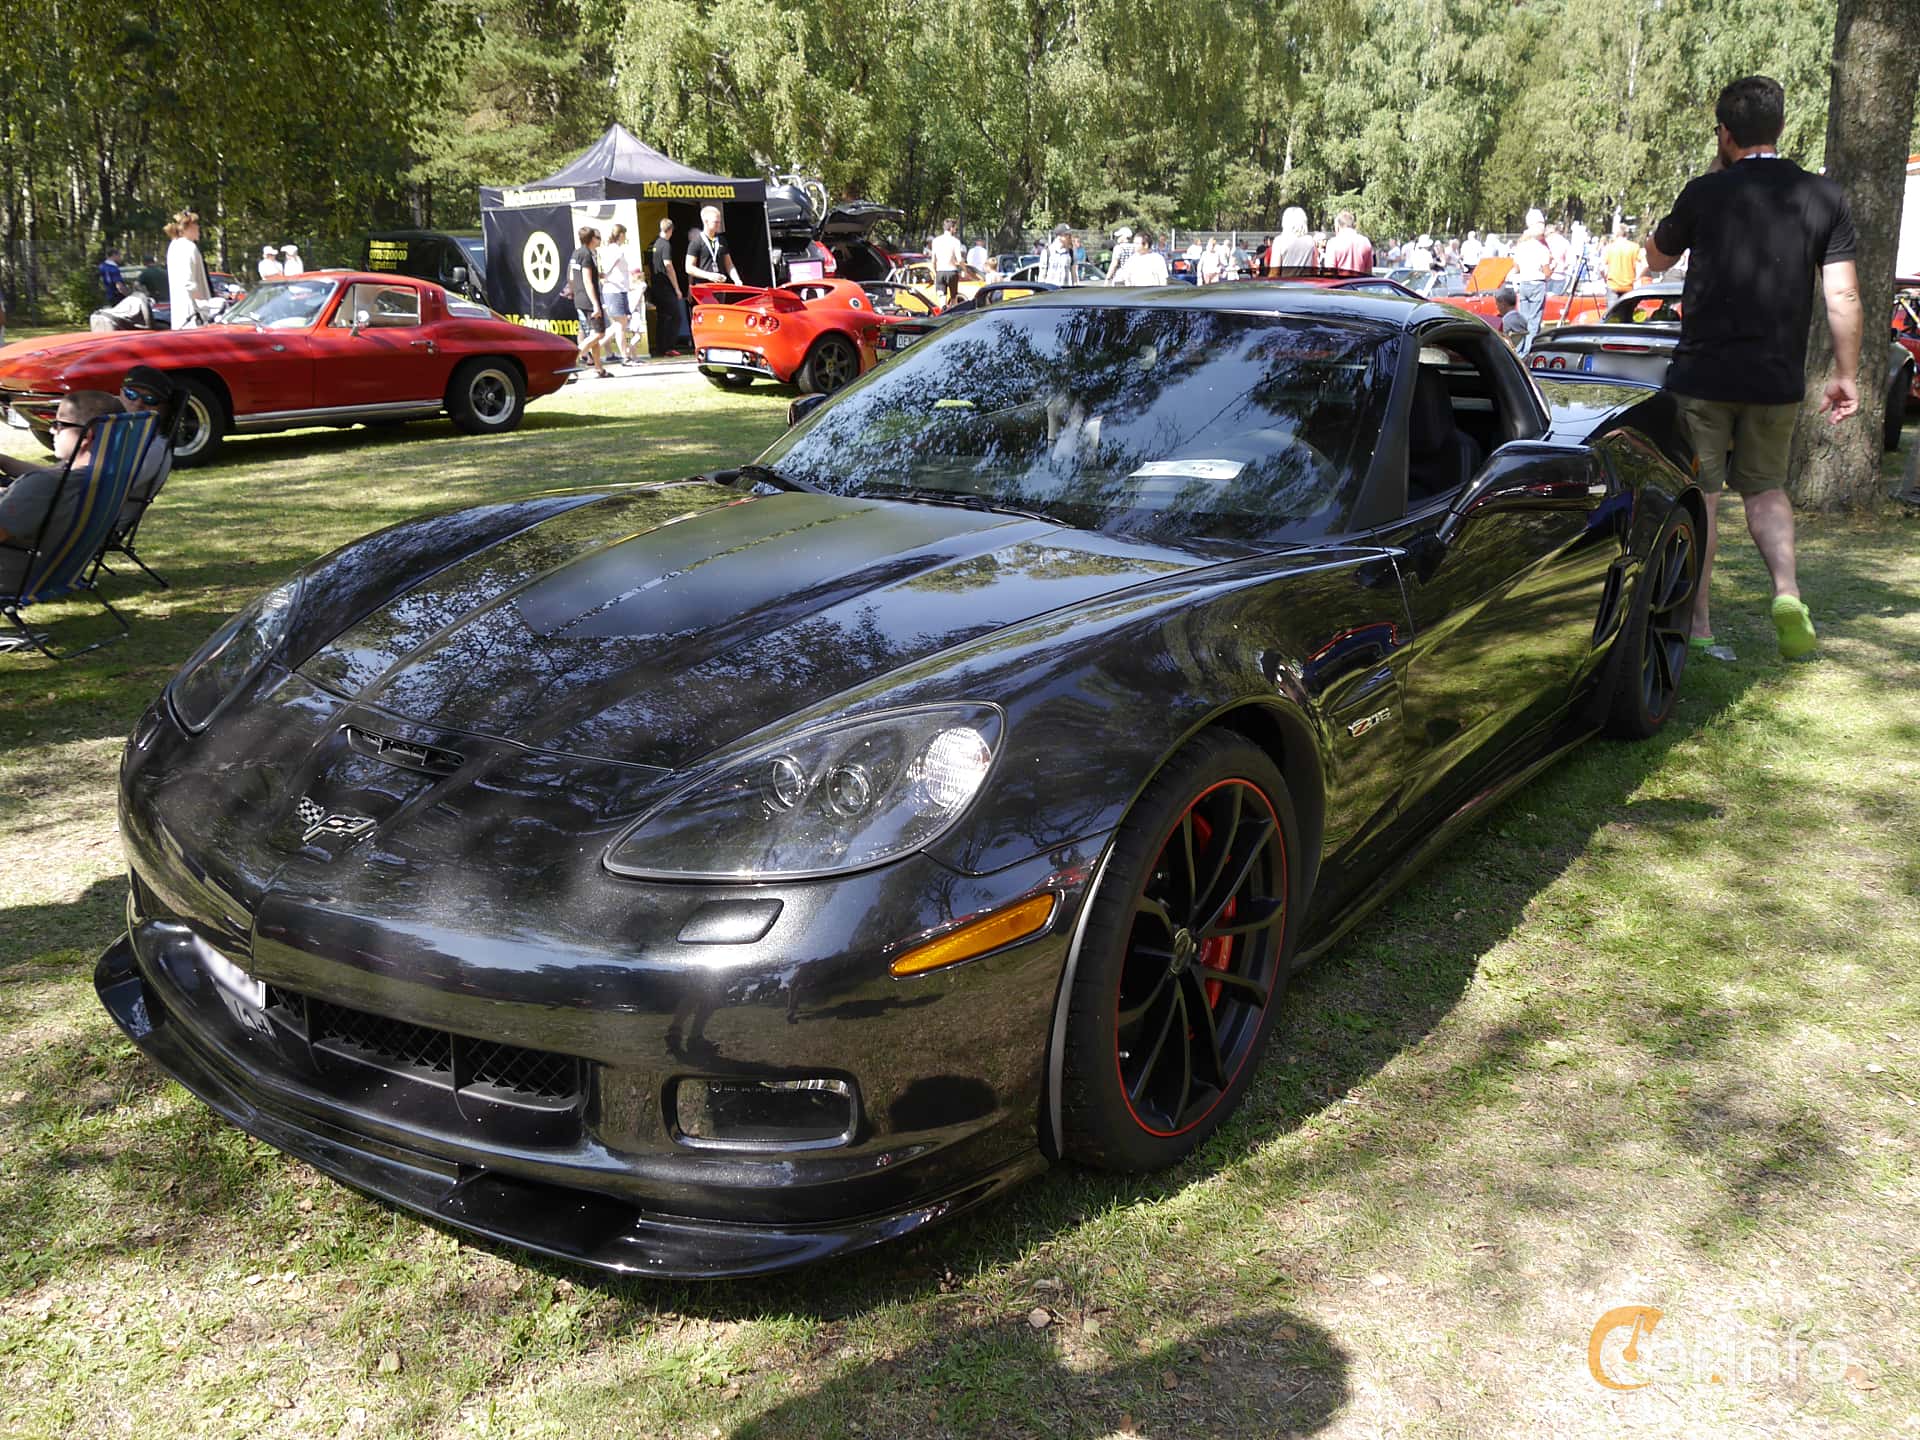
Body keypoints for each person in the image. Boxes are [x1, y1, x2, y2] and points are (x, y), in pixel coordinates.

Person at [1643, 73, 1860, 662]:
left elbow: (1657, 256)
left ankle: (1701, 622)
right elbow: (1842, 297)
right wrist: (1846, 374)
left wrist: (1710, 182)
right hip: (1775, 377)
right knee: (1765, 489)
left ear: (1724, 133)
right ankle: (1787, 593)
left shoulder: (1702, 192)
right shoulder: (1824, 197)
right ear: (1781, 127)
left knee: (1704, 497)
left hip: (1702, 376)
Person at [0, 390, 124, 601]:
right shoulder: (107, 477)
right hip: (50, 573)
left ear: (87, 436)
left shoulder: (45, 485)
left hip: (12, 575)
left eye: (59, 425)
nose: (51, 429)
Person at [566, 225, 611, 378]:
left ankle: (599, 368)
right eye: (597, 237)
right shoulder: (585, 254)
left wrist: (573, 290)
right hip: (588, 299)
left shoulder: (576, 253)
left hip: (579, 297)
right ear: (592, 239)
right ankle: (571, 360)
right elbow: (587, 280)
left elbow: (571, 277)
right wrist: (596, 304)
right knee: (599, 334)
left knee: (593, 336)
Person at [1511, 210, 1553, 348]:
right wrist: (1551, 270)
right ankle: (1529, 350)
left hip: (1524, 283)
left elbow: (1516, 267)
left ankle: (1519, 349)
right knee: (1534, 321)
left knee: (1523, 319)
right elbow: (1547, 272)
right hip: (1537, 284)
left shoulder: (1521, 247)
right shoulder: (1542, 249)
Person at [163, 210, 211, 330]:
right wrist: (205, 305)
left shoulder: (174, 245)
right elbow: (188, 283)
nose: (198, 228)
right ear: (187, 228)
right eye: (196, 225)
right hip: (193, 313)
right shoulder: (188, 247)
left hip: (181, 311)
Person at [650, 217, 690, 355]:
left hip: (656, 285)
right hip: (666, 287)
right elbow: (668, 266)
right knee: (676, 316)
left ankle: (661, 347)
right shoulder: (666, 245)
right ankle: (669, 347)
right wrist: (677, 288)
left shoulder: (654, 243)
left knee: (663, 317)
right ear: (671, 230)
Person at [599, 222, 635, 363]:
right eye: (624, 234)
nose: (625, 237)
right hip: (615, 290)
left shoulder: (611, 249)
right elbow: (612, 264)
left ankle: (593, 348)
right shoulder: (616, 250)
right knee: (620, 324)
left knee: (619, 324)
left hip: (618, 289)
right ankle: (624, 357)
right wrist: (606, 275)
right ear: (620, 235)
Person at [686, 205, 740, 287]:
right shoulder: (696, 242)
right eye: (716, 222)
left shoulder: (721, 240)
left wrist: (736, 279)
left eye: (719, 221)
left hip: (720, 287)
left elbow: (729, 264)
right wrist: (709, 275)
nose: (719, 225)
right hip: (704, 288)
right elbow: (689, 267)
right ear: (706, 221)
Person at [930, 218, 966, 306]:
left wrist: (935, 272)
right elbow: (959, 259)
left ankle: (943, 311)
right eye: (955, 228)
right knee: (954, 298)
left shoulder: (936, 241)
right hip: (952, 271)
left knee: (942, 298)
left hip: (940, 271)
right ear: (951, 228)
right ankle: (953, 315)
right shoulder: (955, 241)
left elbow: (933, 260)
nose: (956, 230)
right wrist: (965, 270)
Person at [1602, 222, 1640, 306]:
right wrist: (1637, 280)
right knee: (1627, 315)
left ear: (1616, 234)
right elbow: (1641, 266)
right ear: (1627, 234)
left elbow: (1602, 267)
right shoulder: (1635, 247)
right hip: (1629, 285)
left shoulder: (1609, 247)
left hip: (1613, 285)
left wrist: (1605, 278)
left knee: (1612, 315)